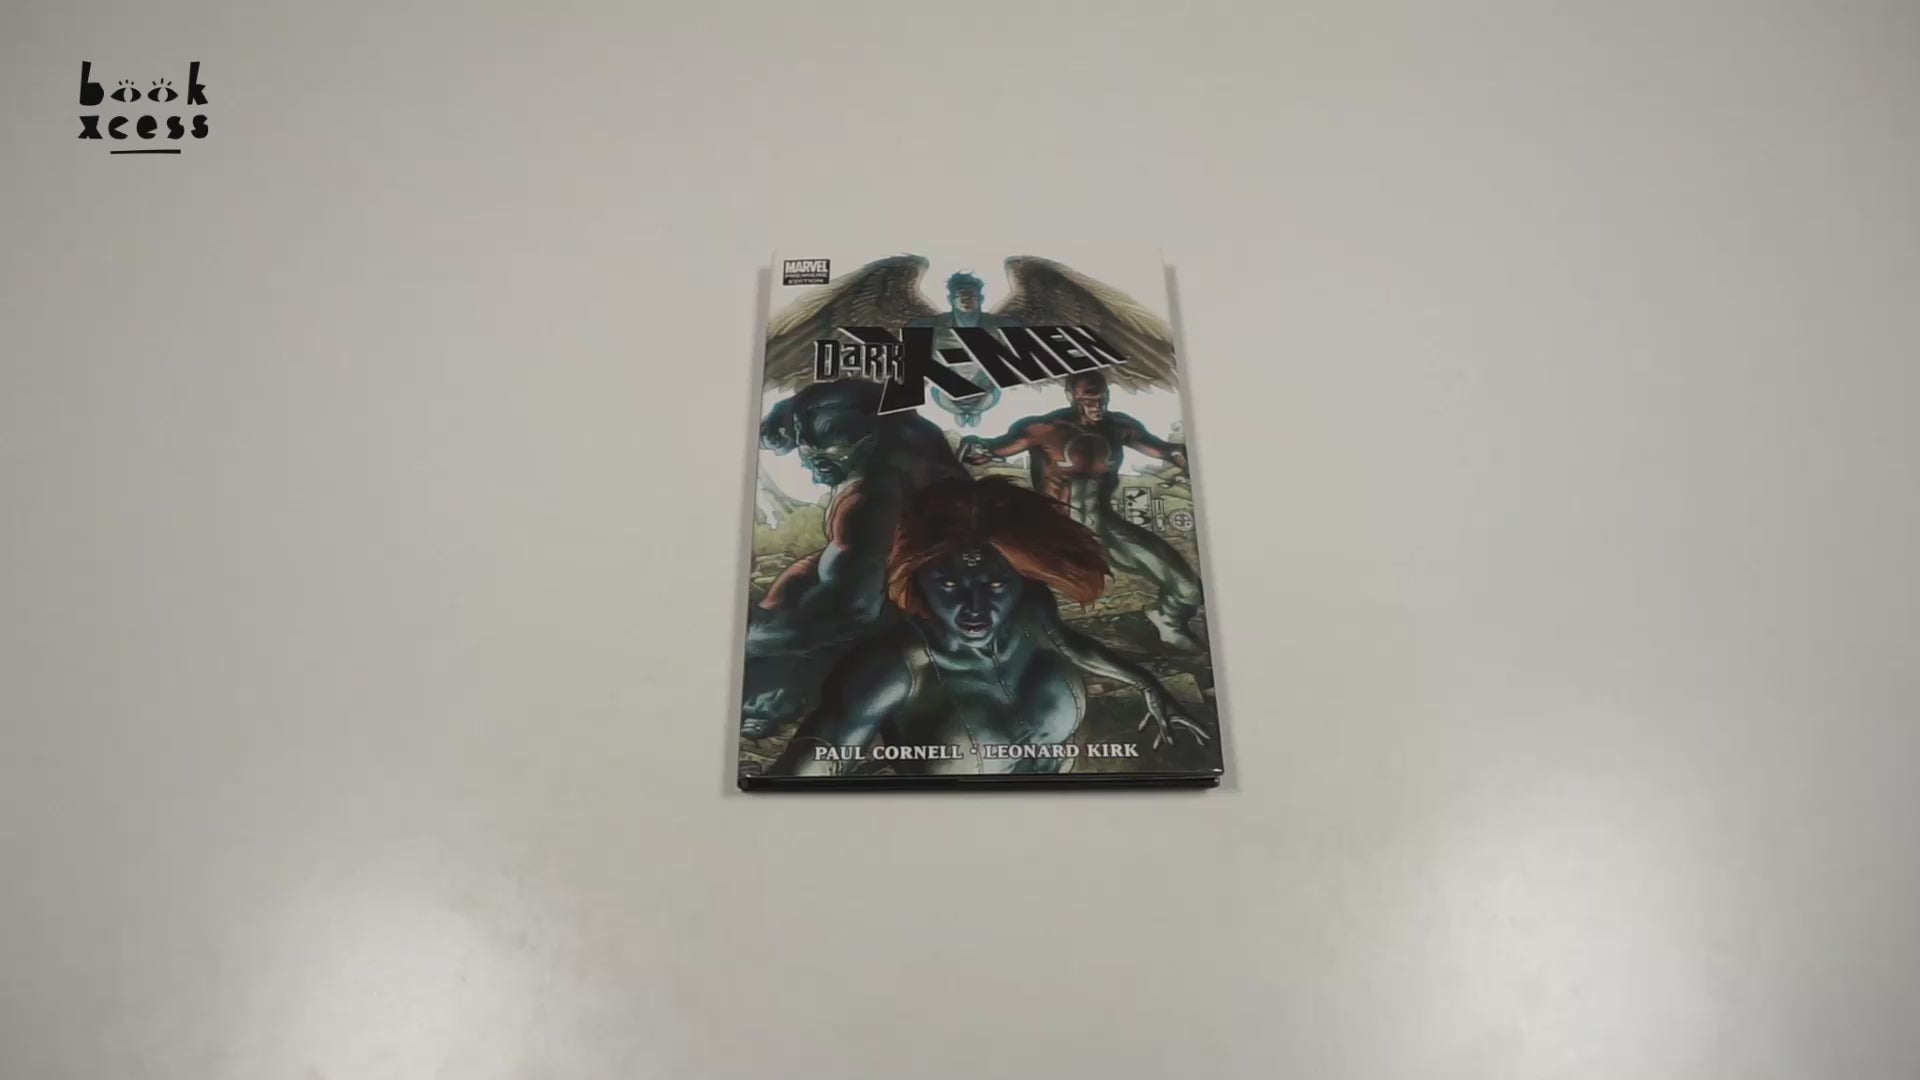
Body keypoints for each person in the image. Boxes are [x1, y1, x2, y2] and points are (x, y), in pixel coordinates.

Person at [771, 478, 1206, 777]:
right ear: (916, 578)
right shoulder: (890, 669)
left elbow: (1068, 644)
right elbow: (812, 763)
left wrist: (1147, 683)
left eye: (996, 584)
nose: (974, 607)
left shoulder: (1029, 609)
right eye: (949, 584)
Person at [957, 371, 1205, 649]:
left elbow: (1167, 451)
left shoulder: (1119, 427)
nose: (1096, 406)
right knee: (990, 583)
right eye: (1088, 400)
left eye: (1101, 399)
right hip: (1054, 533)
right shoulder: (1044, 429)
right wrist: (976, 448)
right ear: (1071, 397)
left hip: (1103, 529)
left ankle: (1168, 621)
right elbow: (989, 451)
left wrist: (1185, 457)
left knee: (1188, 589)